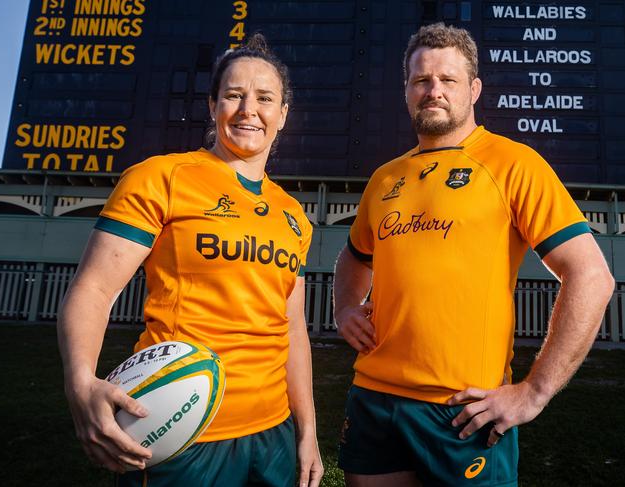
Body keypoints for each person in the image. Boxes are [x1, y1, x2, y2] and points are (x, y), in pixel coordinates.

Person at [333, 23, 614, 487]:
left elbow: (591, 276)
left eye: (448, 80)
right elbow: (353, 257)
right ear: (407, 89)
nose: (434, 91)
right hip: (373, 398)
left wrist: (535, 392)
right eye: (421, 80)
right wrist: (345, 308)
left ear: (474, 89)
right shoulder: (386, 178)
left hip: (463, 409)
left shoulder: (513, 163)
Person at [57, 34, 323, 487]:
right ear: (213, 104)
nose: (248, 110)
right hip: (182, 430)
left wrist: (308, 429)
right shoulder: (160, 177)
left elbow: (292, 326)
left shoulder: (293, 215)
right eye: (234, 96)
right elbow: (95, 289)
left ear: (282, 115)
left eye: (264, 98)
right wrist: (80, 380)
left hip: (273, 431)